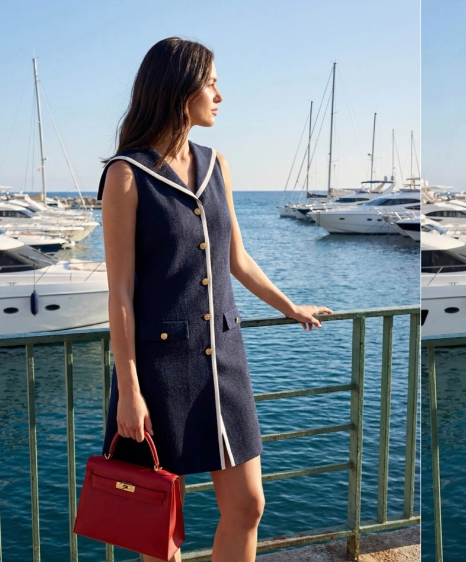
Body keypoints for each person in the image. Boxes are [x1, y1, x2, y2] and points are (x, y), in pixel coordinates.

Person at [98, 37, 333, 562]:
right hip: (156, 369)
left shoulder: (216, 165)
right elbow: (120, 295)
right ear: (179, 88)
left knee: (248, 505)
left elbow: (237, 259)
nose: (220, 96)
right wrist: (129, 391)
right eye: (211, 83)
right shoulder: (126, 174)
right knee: (159, 524)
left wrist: (290, 306)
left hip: (225, 359)